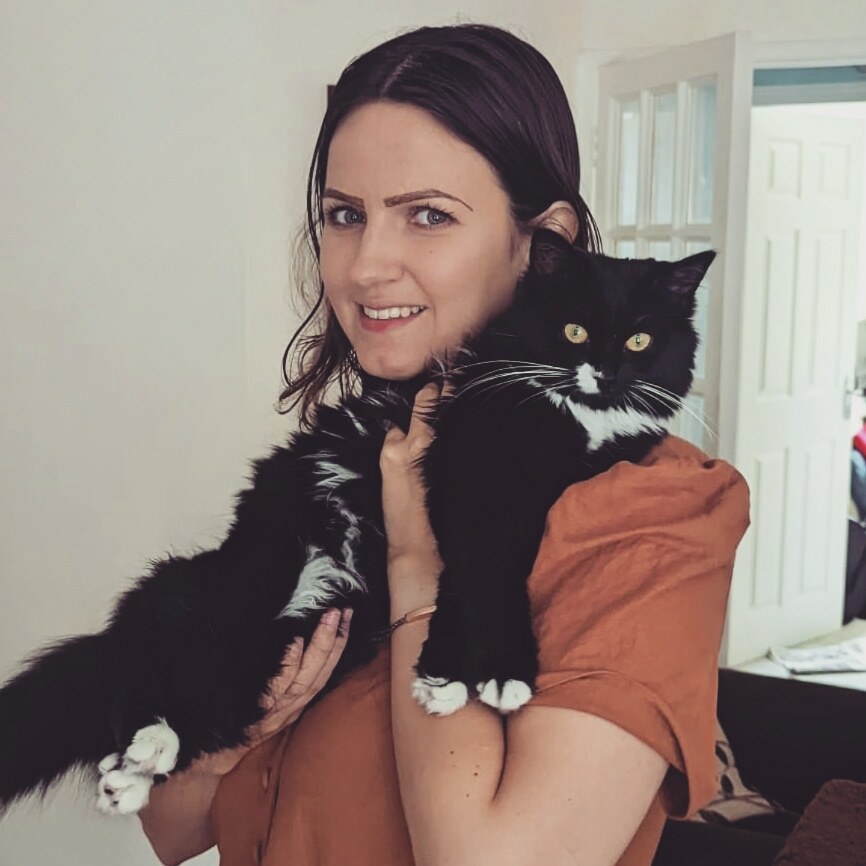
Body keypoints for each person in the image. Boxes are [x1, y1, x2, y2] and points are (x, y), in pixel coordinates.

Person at [138, 23, 750, 866]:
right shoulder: (367, 452)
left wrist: (420, 563)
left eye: (427, 215)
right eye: (345, 216)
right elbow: (174, 828)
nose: (364, 266)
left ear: (545, 243)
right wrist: (242, 725)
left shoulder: (652, 516)